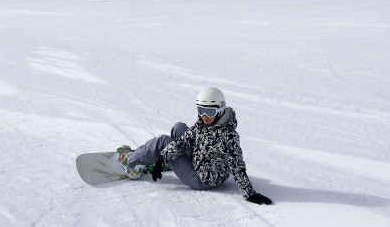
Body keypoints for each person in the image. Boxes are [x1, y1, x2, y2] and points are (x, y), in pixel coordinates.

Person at [117, 86, 273, 205]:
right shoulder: (204, 123)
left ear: (220, 110)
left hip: (202, 179)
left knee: (163, 141)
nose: (204, 116)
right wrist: (162, 158)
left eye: (209, 112)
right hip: (202, 161)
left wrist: (250, 193)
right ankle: (164, 160)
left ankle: (131, 163)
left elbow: (237, 166)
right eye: (201, 110)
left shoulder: (228, 136)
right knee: (179, 128)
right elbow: (184, 140)